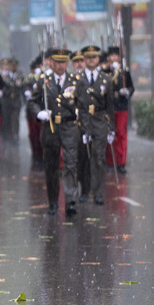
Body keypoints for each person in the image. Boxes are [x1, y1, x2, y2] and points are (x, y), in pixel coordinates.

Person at [33, 47, 79, 217]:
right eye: (57, 62)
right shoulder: (44, 81)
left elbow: (81, 101)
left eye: (63, 62)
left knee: (70, 164)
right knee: (51, 167)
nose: (60, 65)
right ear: (51, 62)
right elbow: (32, 101)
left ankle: (70, 202)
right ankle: (53, 202)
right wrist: (39, 113)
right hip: (50, 128)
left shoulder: (75, 80)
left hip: (69, 127)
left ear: (67, 63)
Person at [73, 45, 115, 205]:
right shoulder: (77, 80)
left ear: (98, 59)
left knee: (99, 157)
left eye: (94, 57)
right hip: (82, 121)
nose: (91, 60)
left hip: (99, 121)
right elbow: (75, 103)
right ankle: (84, 190)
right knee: (83, 158)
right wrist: (80, 124)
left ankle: (98, 193)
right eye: (88, 57)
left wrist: (111, 128)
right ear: (84, 59)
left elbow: (110, 106)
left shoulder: (106, 79)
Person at [104, 45, 134, 174]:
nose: (114, 58)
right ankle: (110, 163)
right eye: (112, 55)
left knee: (121, 135)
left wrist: (126, 91)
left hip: (121, 106)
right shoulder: (105, 72)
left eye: (116, 55)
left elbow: (131, 87)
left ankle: (121, 162)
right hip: (109, 107)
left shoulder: (124, 72)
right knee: (110, 135)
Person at [69, 50, 91, 200]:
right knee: (72, 159)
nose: (79, 64)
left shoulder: (89, 80)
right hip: (71, 125)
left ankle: (85, 190)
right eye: (76, 61)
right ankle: (73, 187)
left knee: (86, 160)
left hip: (86, 124)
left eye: (81, 61)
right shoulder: (69, 81)